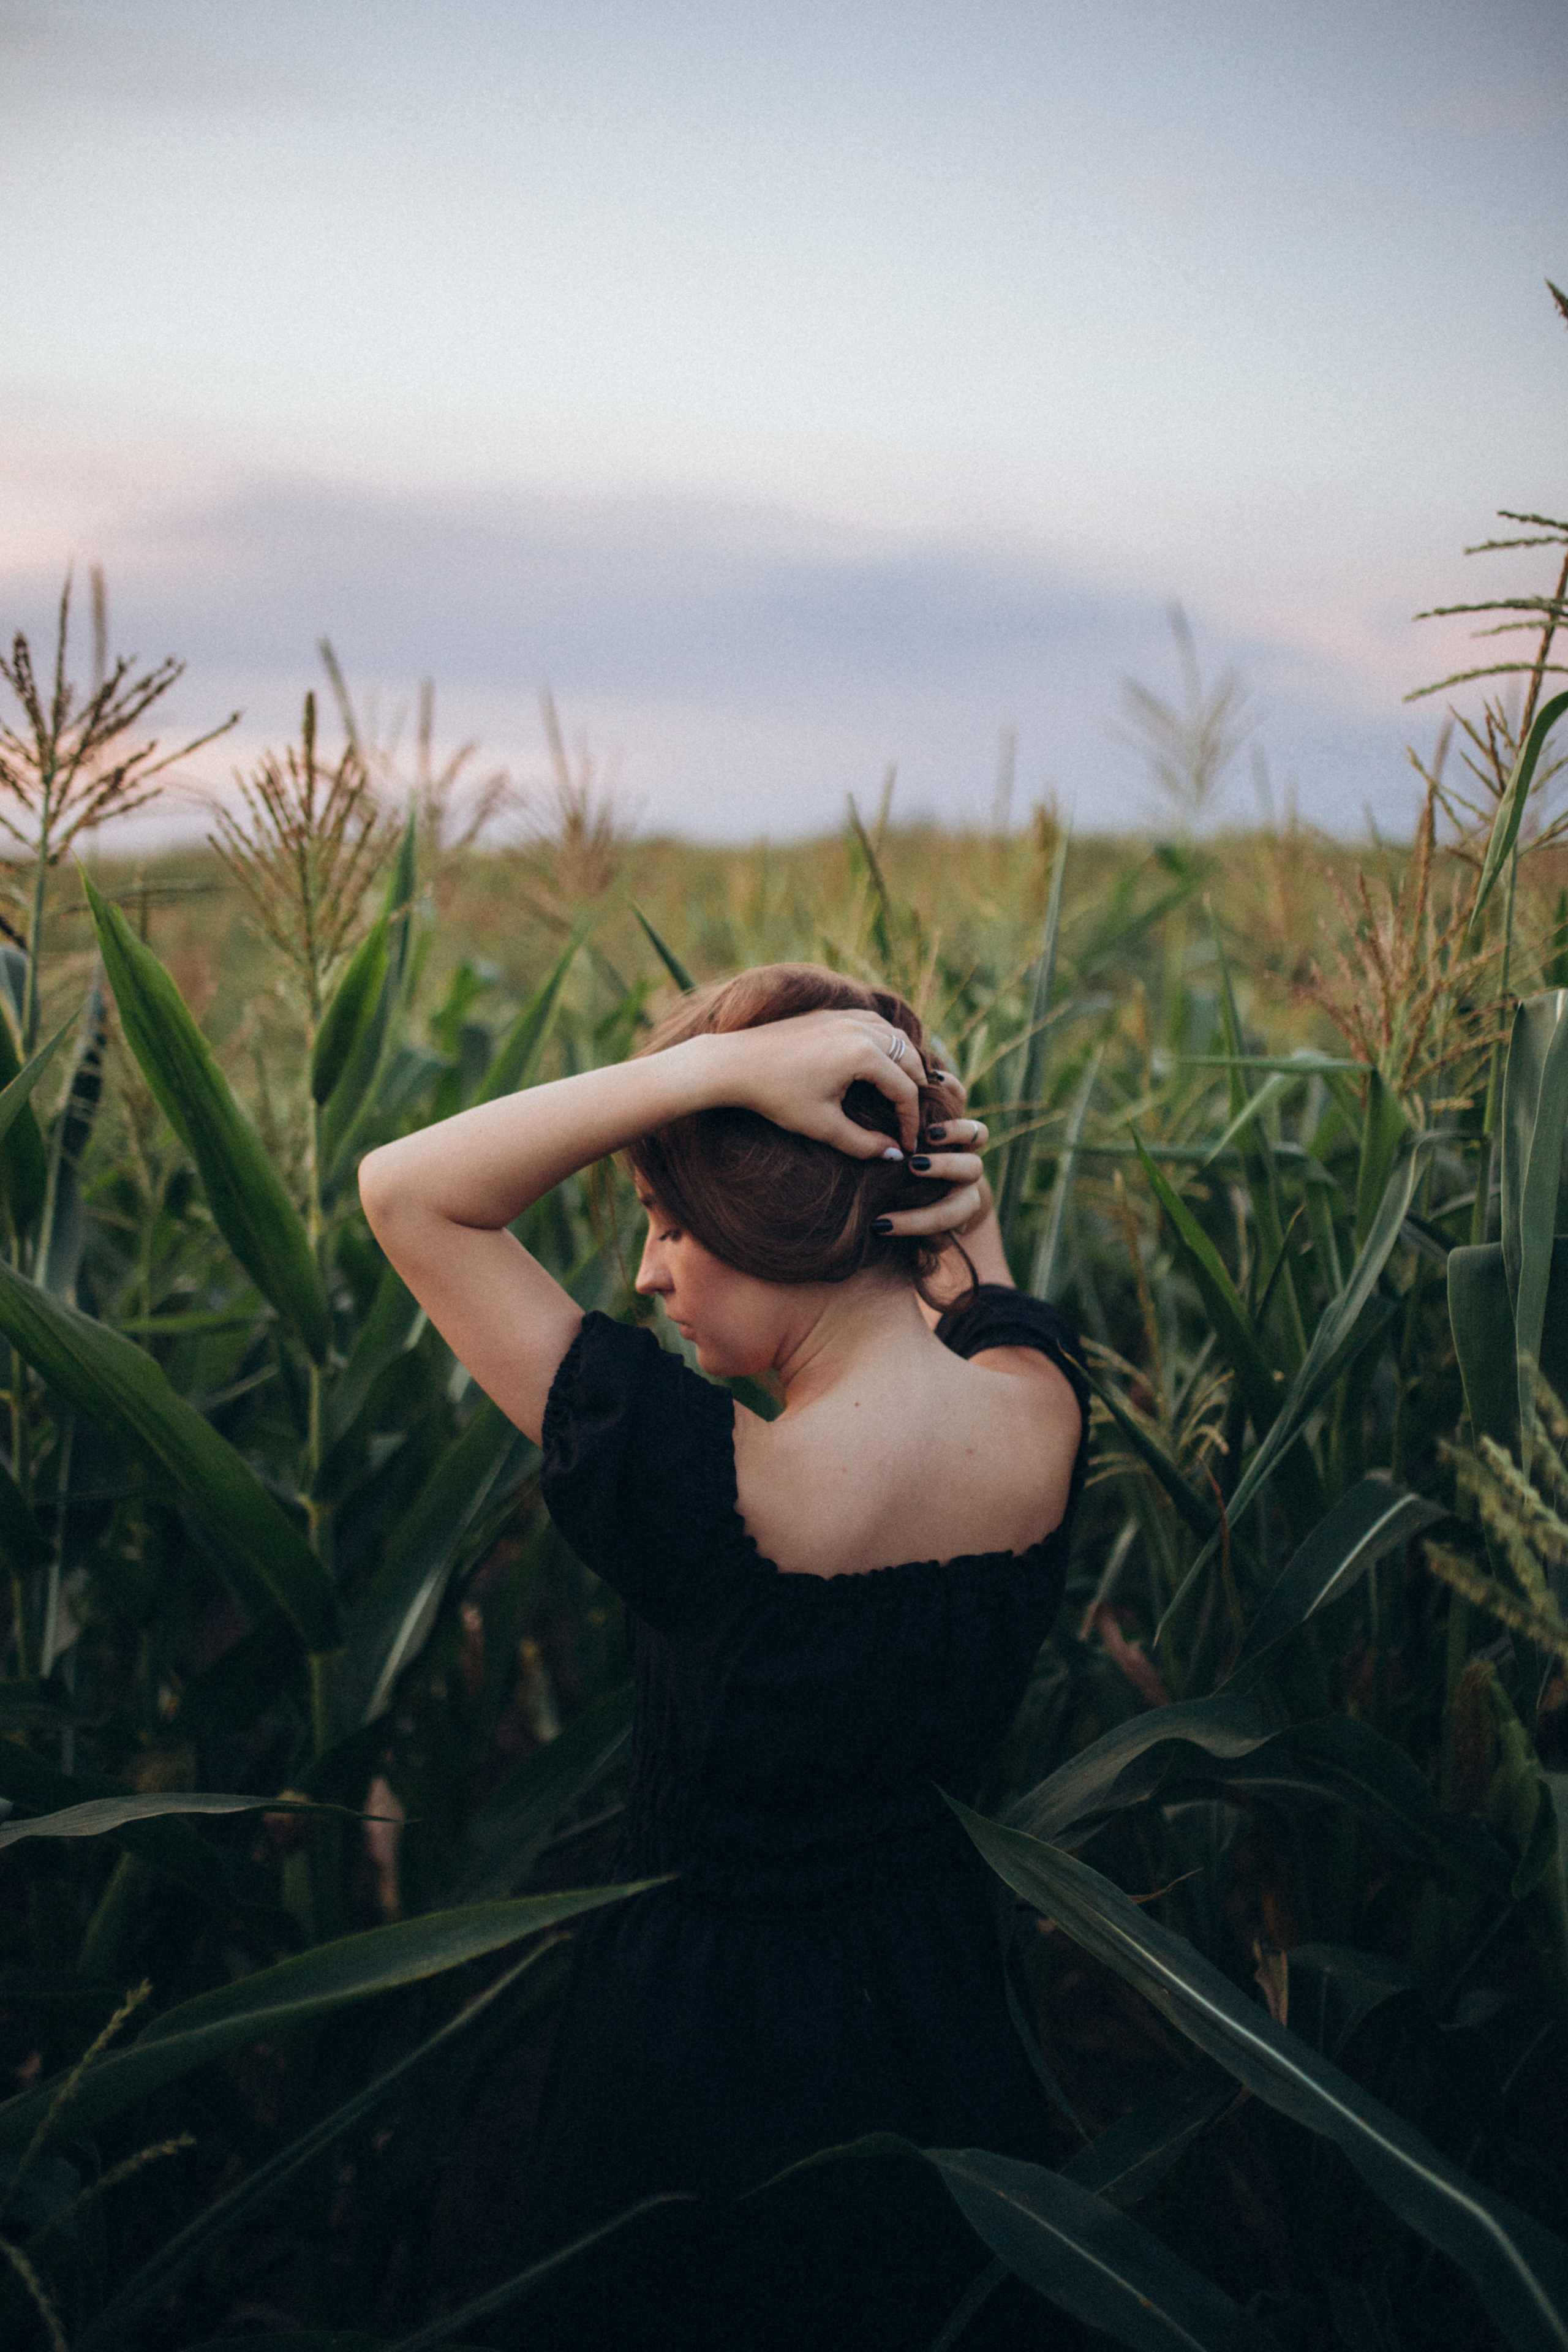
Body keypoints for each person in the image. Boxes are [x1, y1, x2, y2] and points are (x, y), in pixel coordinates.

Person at [360, 962, 1090, 2351]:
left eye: (664, 1219)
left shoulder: (708, 1498)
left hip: (692, 2048)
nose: (645, 1274)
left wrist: (701, 1077)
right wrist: (953, 1206)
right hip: (939, 2024)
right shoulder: (1039, 1407)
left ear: (765, 1217)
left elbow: (407, 1189)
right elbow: (986, 1302)